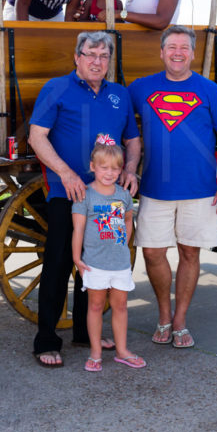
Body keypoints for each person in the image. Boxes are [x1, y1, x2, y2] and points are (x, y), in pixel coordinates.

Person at [27, 31, 141, 368]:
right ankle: (46, 339)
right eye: (91, 54)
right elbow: (37, 137)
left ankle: (82, 331)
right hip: (70, 193)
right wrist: (66, 172)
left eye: (104, 55)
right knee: (60, 263)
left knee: (96, 264)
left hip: (108, 198)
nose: (97, 61)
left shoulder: (120, 94)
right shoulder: (57, 88)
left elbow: (132, 140)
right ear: (77, 57)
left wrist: (131, 169)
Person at [127, 25, 217, 349]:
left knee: (190, 252)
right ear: (161, 52)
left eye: (184, 47)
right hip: (154, 190)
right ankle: (163, 312)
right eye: (171, 47)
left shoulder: (210, 90)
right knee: (153, 252)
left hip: (201, 190)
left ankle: (180, 320)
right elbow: (115, 112)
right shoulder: (141, 88)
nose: (177, 52)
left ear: (192, 53)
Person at [72, 141, 144, 372]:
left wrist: (124, 245)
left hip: (120, 262)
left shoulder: (123, 195)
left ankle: (122, 351)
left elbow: (127, 221)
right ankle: (95, 352)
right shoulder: (86, 195)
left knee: (120, 305)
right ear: (93, 166)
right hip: (95, 263)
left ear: (121, 170)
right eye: (104, 168)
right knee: (95, 305)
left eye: (115, 169)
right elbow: (79, 229)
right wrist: (77, 258)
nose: (109, 173)